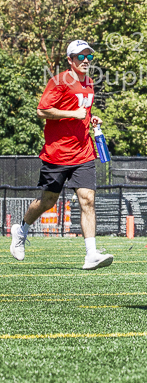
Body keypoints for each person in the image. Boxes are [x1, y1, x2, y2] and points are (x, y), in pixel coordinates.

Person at [9, 40, 114, 271]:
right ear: (70, 60)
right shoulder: (59, 81)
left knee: (88, 199)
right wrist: (73, 114)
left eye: (89, 57)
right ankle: (21, 229)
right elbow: (41, 110)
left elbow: (82, 111)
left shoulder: (88, 82)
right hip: (57, 154)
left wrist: (90, 118)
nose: (85, 61)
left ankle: (91, 254)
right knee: (48, 201)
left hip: (83, 151)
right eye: (80, 57)